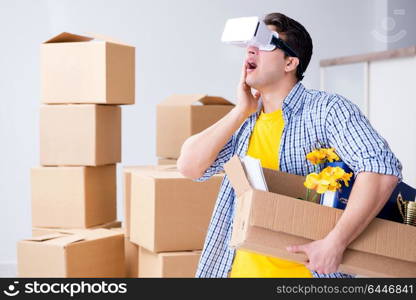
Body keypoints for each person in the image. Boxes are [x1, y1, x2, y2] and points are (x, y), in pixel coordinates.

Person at [177, 12, 402, 278]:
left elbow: (380, 169)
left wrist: (336, 243)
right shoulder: (246, 123)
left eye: (265, 44)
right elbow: (190, 166)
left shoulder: (326, 111)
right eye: (251, 46)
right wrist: (239, 111)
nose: (252, 50)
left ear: (290, 63)